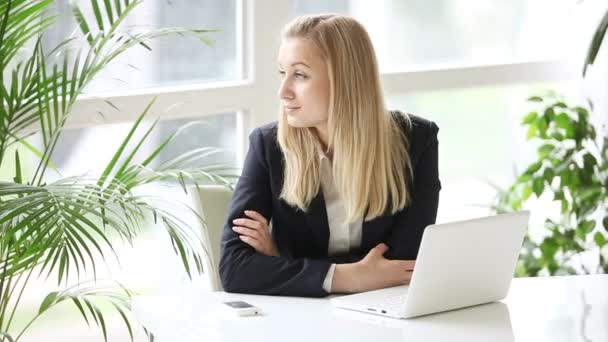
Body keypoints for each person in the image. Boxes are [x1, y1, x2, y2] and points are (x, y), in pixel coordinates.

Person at [218, 14, 441, 297]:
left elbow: (402, 265)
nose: (283, 92)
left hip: (383, 316)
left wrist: (281, 263)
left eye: (299, 75)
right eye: (281, 73)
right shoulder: (268, 146)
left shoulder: (416, 141)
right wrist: (348, 277)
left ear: (346, 80)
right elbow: (234, 269)